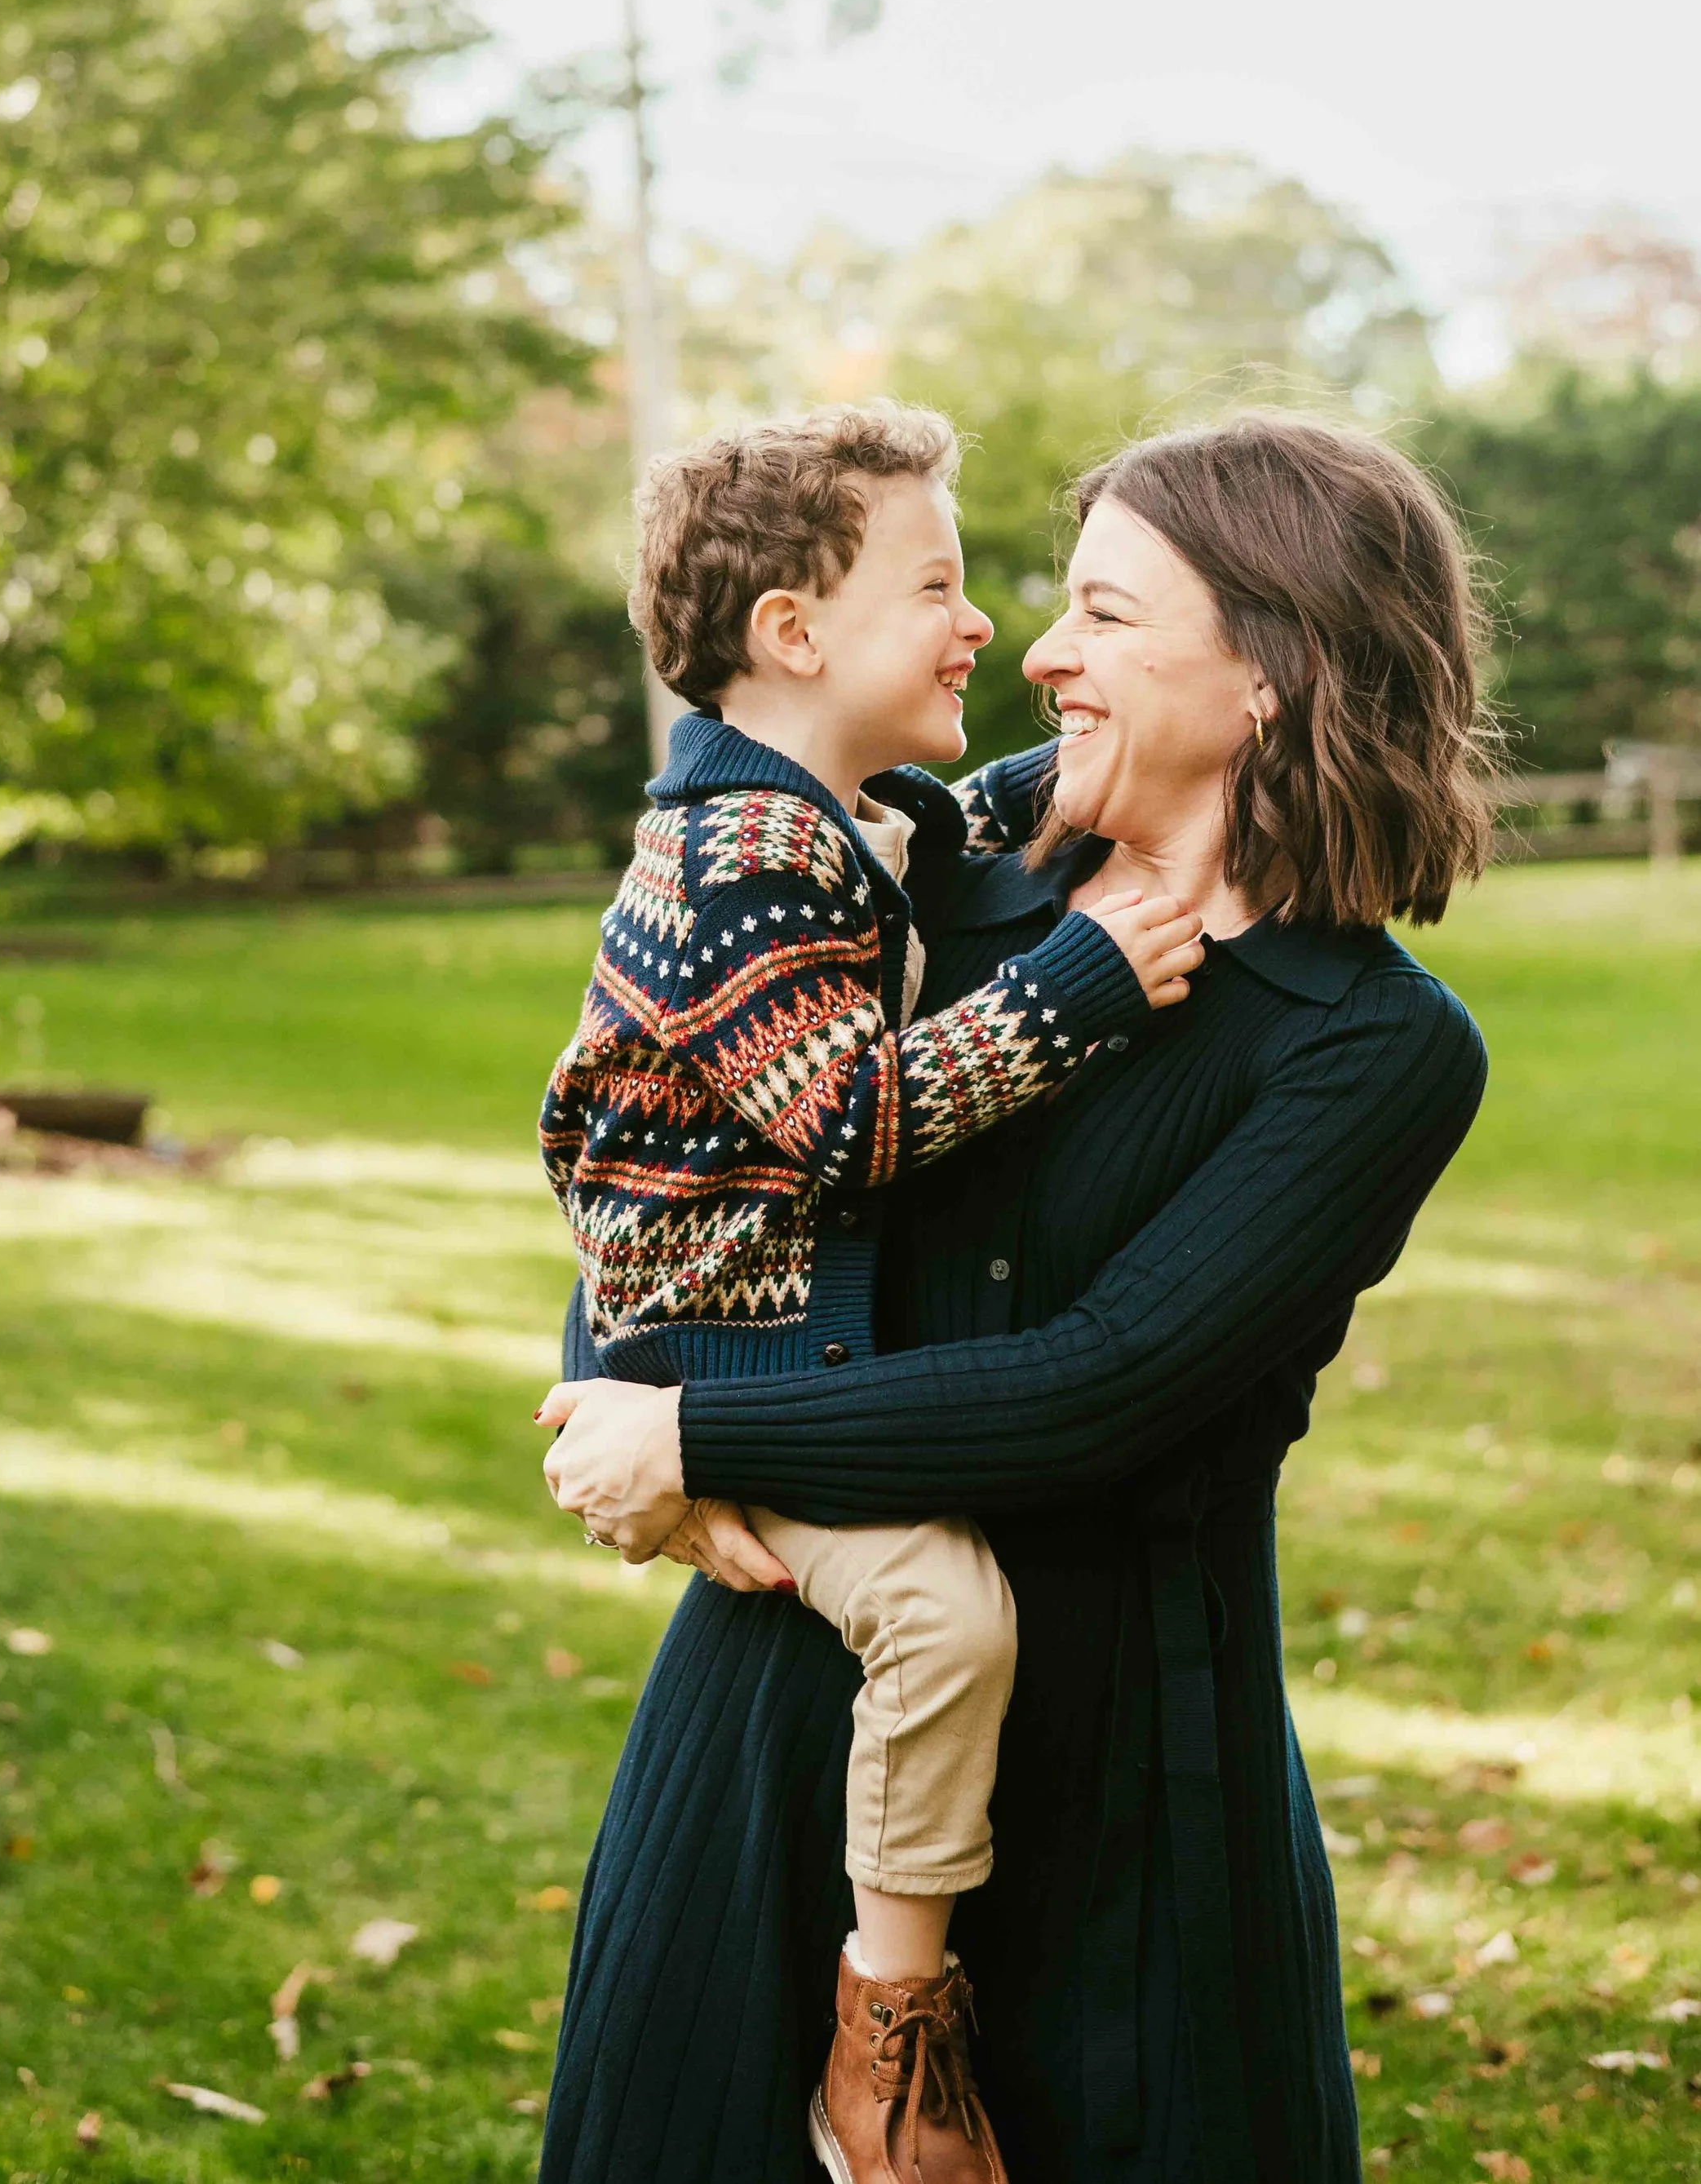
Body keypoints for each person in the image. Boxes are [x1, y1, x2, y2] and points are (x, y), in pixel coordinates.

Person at [536, 414, 1495, 2184]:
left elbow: (1098, 1384)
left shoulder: (1368, 1048)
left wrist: (684, 1434)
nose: (1033, 651)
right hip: (775, 1730)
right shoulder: (930, 881)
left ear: (1271, 668)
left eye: (1102, 615)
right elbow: (667, 1116)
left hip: (1136, 1788)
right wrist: (606, 1371)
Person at [539, 403, 1203, 2184]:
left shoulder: (825, 811)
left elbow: (959, 815)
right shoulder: (735, 857)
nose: (983, 625)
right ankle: (883, 2033)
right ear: (792, 632)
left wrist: (1082, 777)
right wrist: (1076, 984)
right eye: (939, 582)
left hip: (739, 1331)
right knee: (944, 1620)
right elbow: (848, 1114)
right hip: (715, 1346)